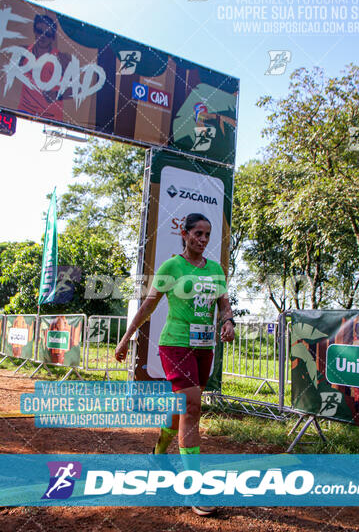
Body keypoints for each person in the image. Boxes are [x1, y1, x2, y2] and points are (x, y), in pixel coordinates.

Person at [115, 213, 235, 516]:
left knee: (184, 406)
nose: (204, 240)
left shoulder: (216, 269)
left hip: (203, 346)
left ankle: (158, 452)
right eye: (198, 233)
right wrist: (127, 337)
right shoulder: (171, 266)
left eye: (207, 235)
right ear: (184, 234)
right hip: (175, 344)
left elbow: (223, 301)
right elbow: (149, 304)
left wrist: (229, 321)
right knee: (193, 407)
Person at [18, 14, 72, 121]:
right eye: (39, 31)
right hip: (24, 113)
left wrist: (57, 95)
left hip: (50, 118)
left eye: (47, 34)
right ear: (34, 31)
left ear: (52, 38)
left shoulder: (61, 59)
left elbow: (76, 89)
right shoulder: (23, 52)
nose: (43, 36)